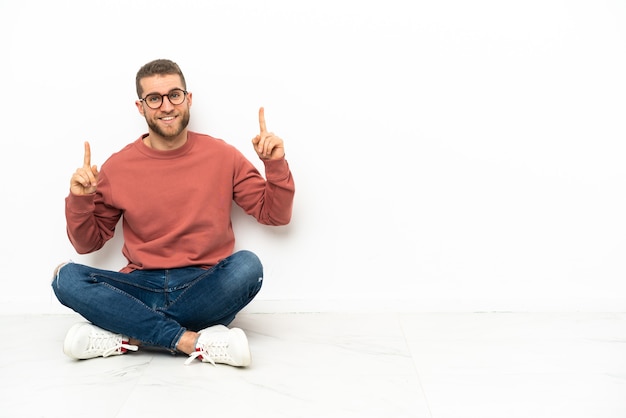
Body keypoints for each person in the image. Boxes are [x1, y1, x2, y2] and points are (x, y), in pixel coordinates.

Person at [51, 59, 295, 367]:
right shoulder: (117, 167)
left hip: (203, 287)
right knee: (66, 277)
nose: (166, 106)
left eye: (174, 95)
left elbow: (275, 215)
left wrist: (274, 165)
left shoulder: (223, 156)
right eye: (154, 98)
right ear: (141, 107)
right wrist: (79, 200)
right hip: (140, 286)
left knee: (248, 266)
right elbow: (87, 245)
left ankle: (131, 334)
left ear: (188, 99)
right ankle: (190, 340)